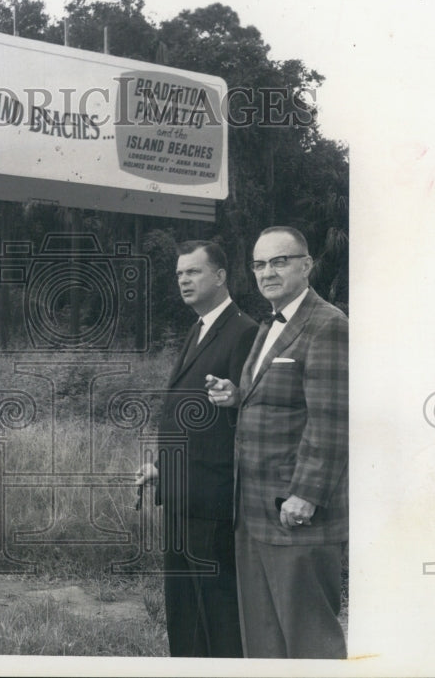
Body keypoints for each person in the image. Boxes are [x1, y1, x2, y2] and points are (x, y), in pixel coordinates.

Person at [207, 225, 348, 659]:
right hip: (251, 511)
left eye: (279, 261)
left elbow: (332, 420)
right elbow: (283, 400)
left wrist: (305, 494)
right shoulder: (269, 321)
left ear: (306, 265)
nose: (267, 272)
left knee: (308, 641)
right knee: (263, 640)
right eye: (259, 263)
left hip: (296, 515)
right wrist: (237, 397)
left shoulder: (328, 324)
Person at [135, 240, 258, 657]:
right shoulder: (199, 327)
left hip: (213, 501)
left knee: (217, 613)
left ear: (221, 276)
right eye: (180, 274)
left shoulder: (244, 332)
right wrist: (163, 471)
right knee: (184, 612)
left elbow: (245, 416)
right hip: (182, 495)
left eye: (194, 272)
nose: (184, 280)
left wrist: (238, 396)